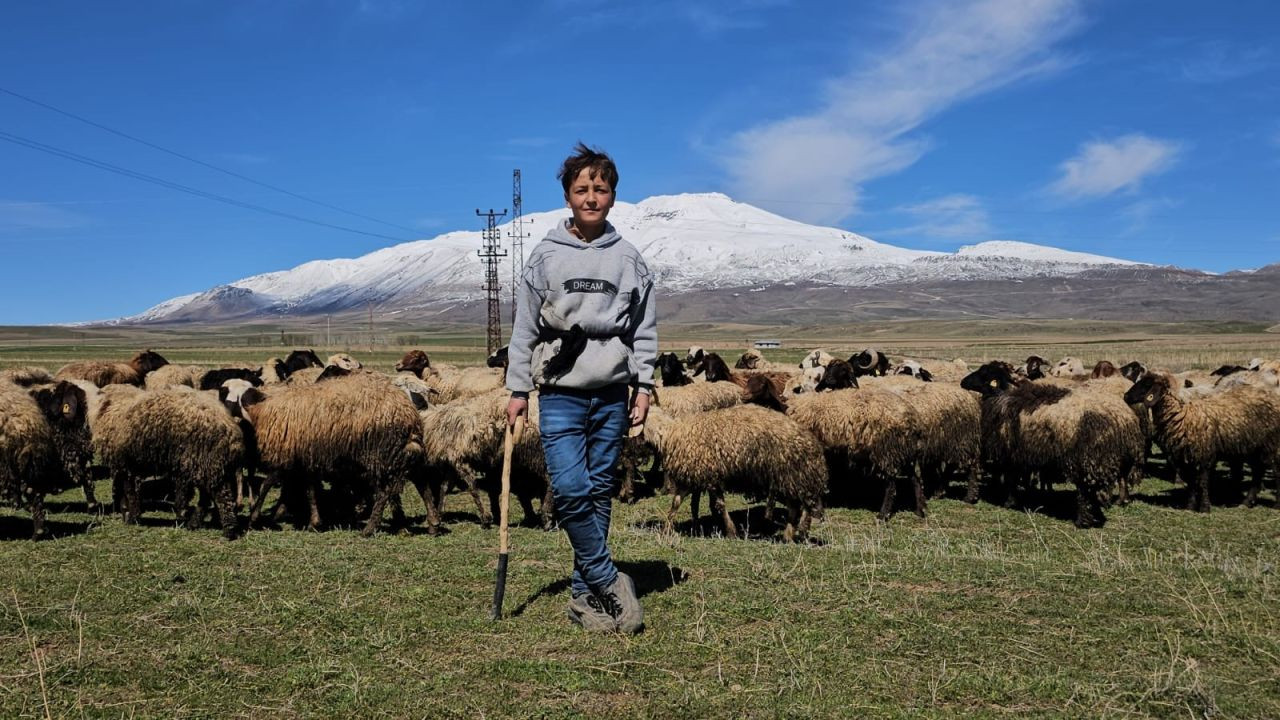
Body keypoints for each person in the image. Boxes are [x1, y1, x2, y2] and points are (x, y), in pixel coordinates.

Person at [505, 142, 656, 634]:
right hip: (561, 389)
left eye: (601, 188)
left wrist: (644, 385)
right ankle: (608, 578)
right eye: (582, 188)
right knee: (570, 489)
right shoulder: (545, 256)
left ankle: (583, 597)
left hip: (612, 387)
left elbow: (644, 329)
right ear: (568, 196)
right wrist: (518, 389)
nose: (591, 196)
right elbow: (525, 327)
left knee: (597, 492)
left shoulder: (630, 259)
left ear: (613, 196)